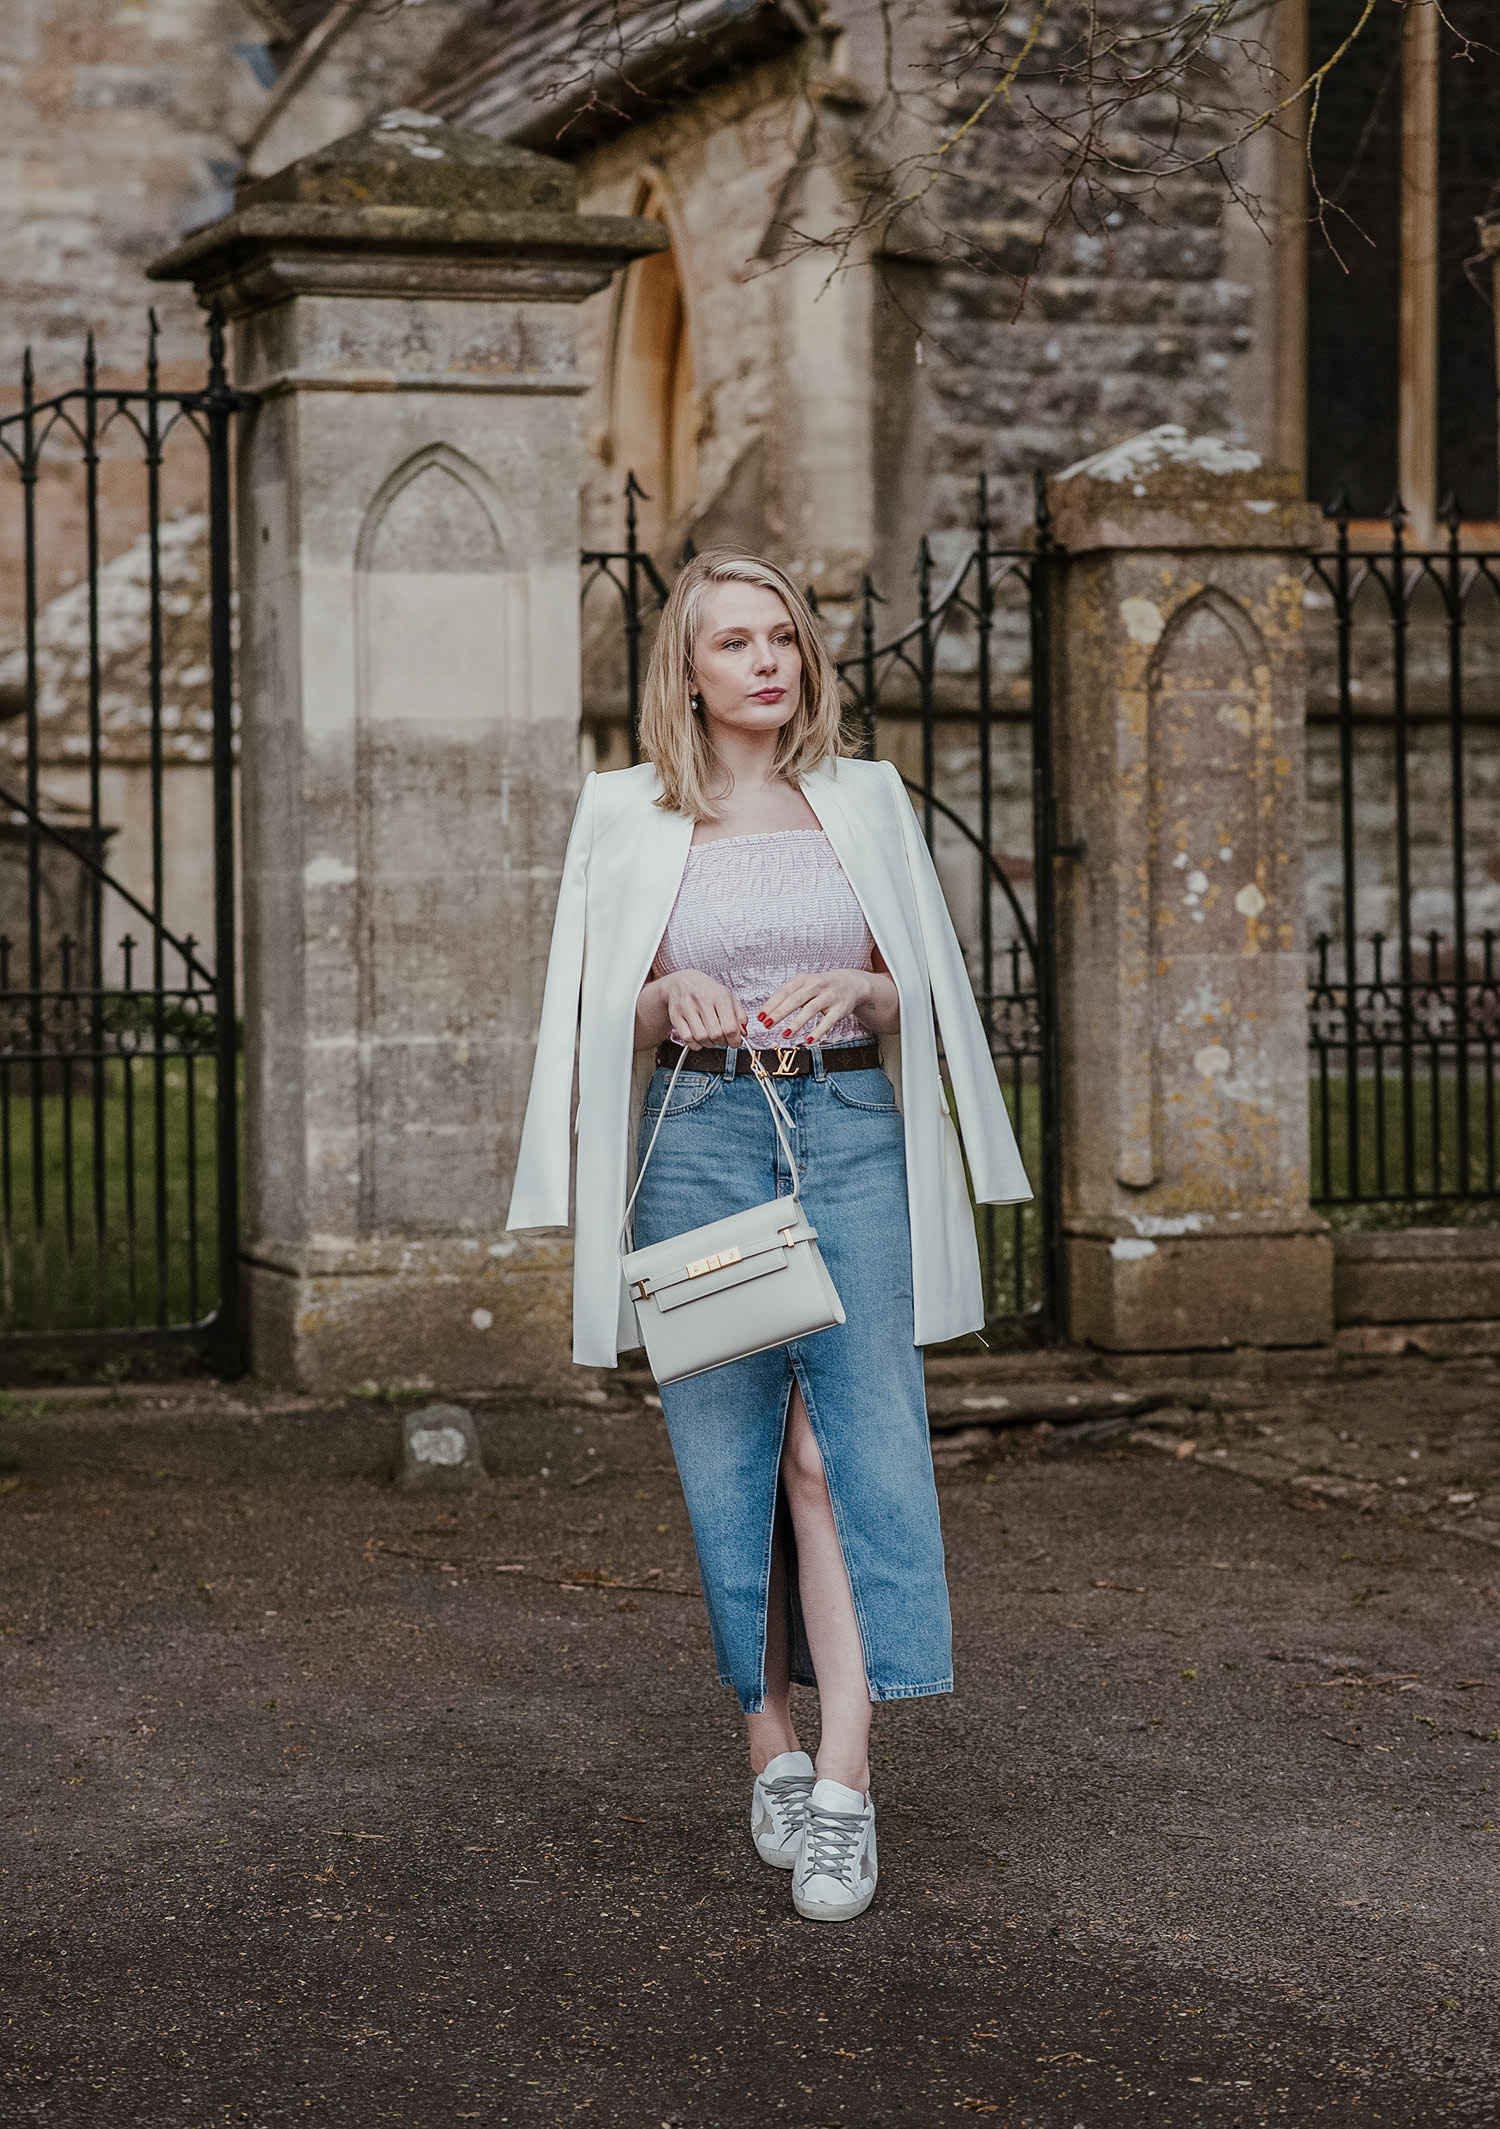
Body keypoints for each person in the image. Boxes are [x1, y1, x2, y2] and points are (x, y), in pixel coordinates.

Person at [506, 550, 1030, 1922]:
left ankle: (848, 1783)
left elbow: (923, 982)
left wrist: (864, 983)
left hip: (847, 1129)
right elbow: (586, 1010)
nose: (766, 660)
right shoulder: (625, 811)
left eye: (783, 635)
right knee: (732, 1447)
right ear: (687, 668)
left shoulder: (866, 795)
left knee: (842, 1442)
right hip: (699, 1138)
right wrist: (661, 989)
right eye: (734, 641)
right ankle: (770, 1743)